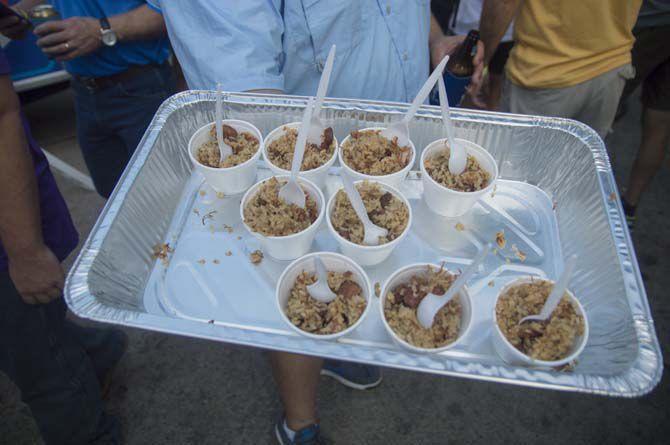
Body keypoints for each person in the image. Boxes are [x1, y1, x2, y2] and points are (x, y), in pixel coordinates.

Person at [148, 1, 483, 443]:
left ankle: (341, 343)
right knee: (297, 276)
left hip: (399, 135)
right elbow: (243, 87)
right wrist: (295, 168)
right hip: (303, 155)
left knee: (356, 267)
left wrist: (433, 36)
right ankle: (299, 423)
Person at [0, 47, 126, 445]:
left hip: (8, 238)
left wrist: (23, 251)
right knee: (39, 336)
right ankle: (99, 350)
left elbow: (2, 116)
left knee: (40, 365)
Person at [0, 0, 177, 199]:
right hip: (84, 93)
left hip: (142, 87)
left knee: (168, 194)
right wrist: (20, 13)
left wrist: (101, 29)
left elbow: (177, 11)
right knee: (113, 196)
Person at [479, 0, 642, 138]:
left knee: (517, 167)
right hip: (611, 69)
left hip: (543, 72)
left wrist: (482, 61)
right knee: (579, 169)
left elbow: (502, 3)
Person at [616, 0, 670, 231]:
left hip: (646, 22)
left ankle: (580, 194)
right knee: (660, 121)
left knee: (607, 108)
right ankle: (630, 205)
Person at [446, 0, 514, 110]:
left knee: (482, 93)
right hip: (463, 26)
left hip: (498, 30)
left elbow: (502, 4)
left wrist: (483, 65)